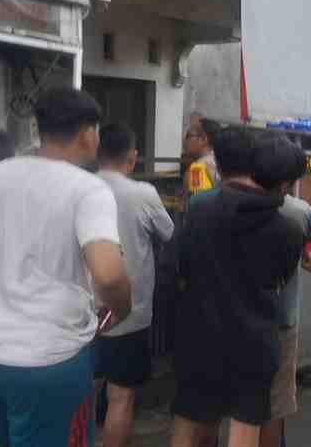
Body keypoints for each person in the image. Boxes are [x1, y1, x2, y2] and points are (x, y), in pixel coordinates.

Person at [0, 87, 132, 447]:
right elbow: (108, 274)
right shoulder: (87, 189)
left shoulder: (2, 172)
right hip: (50, 359)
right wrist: (122, 308)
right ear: (88, 134)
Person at [170, 127, 303, 447]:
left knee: (189, 420)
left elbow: (181, 266)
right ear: (285, 183)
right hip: (254, 341)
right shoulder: (288, 229)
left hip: (199, 334)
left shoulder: (200, 209)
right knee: (245, 426)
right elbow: (278, 279)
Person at [95, 124, 175, 447]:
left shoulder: (79, 187)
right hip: (128, 312)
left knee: (81, 393)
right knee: (121, 396)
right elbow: (168, 232)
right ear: (132, 157)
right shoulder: (142, 194)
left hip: (80, 312)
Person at [253, 135, 311, 447]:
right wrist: (305, 257)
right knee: (275, 403)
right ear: (288, 181)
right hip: (282, 319)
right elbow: (303, 246)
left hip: (235, 315)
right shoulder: (300, 213)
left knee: (242, 402)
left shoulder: (221, 206)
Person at [183, 117, 221, 200]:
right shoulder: (219, 161)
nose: (184, 141)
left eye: (188, 136)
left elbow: (198, 202)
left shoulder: (198, 168)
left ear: (203, 139)